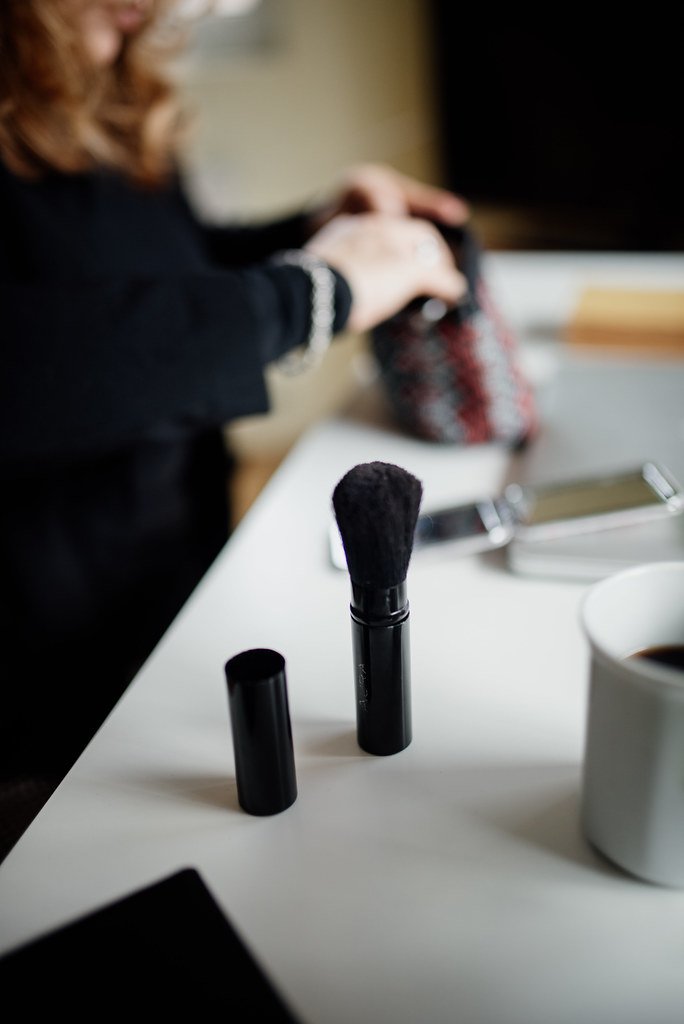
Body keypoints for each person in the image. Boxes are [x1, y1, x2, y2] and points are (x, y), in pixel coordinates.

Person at [0, 0, 470, 845]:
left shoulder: (113, 77)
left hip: (169, 575)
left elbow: (146, 276)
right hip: (39, 659)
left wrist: (318, 233)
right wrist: (312, 292)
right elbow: (35, 357)